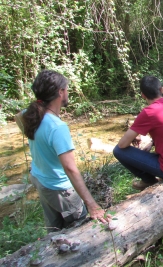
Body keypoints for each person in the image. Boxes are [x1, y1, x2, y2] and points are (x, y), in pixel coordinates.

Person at [17, 70, 110, 232]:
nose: (68, 93)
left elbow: (18, 117)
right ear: (60, 92)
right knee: (79, 229)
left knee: (53, 230)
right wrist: (92, 205)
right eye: (67, 89)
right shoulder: (57, 127)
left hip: (40, 180)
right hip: (60, 189)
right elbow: (70, 168)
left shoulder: (31, 114)